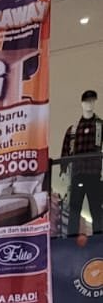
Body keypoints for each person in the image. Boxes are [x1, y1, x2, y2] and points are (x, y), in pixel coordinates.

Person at [61, 90, 103, 236]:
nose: (89, 104)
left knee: (96, 208)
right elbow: (65, 152)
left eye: (92, 101)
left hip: (93, 173)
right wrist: (63, 170)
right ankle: (72, 238)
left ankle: (99, 238)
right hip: (77, 174)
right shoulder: (73, 130)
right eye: (87, 101)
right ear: (82, 103)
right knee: (74, 209)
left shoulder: (100, 126)